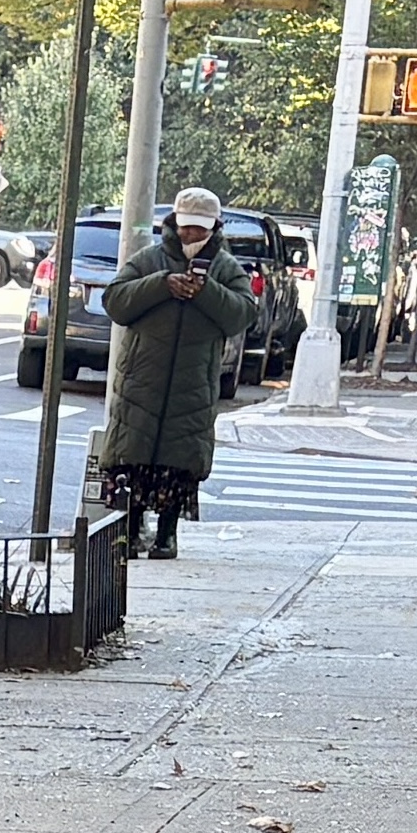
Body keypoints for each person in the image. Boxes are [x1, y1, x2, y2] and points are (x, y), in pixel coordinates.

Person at [93, 187, 251, 558]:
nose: (191, 235)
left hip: (193, 383)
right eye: (185, 227)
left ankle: (167, 533)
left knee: (179, 464)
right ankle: (130, 532)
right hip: (142, 379)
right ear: (174, 224)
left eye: (200, 229)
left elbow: (242, 314)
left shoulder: (226, 269)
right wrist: (162, 285)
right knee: (132, 458)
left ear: (214, 228)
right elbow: (115, 301)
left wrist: (205, 290)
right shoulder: (149, 260)